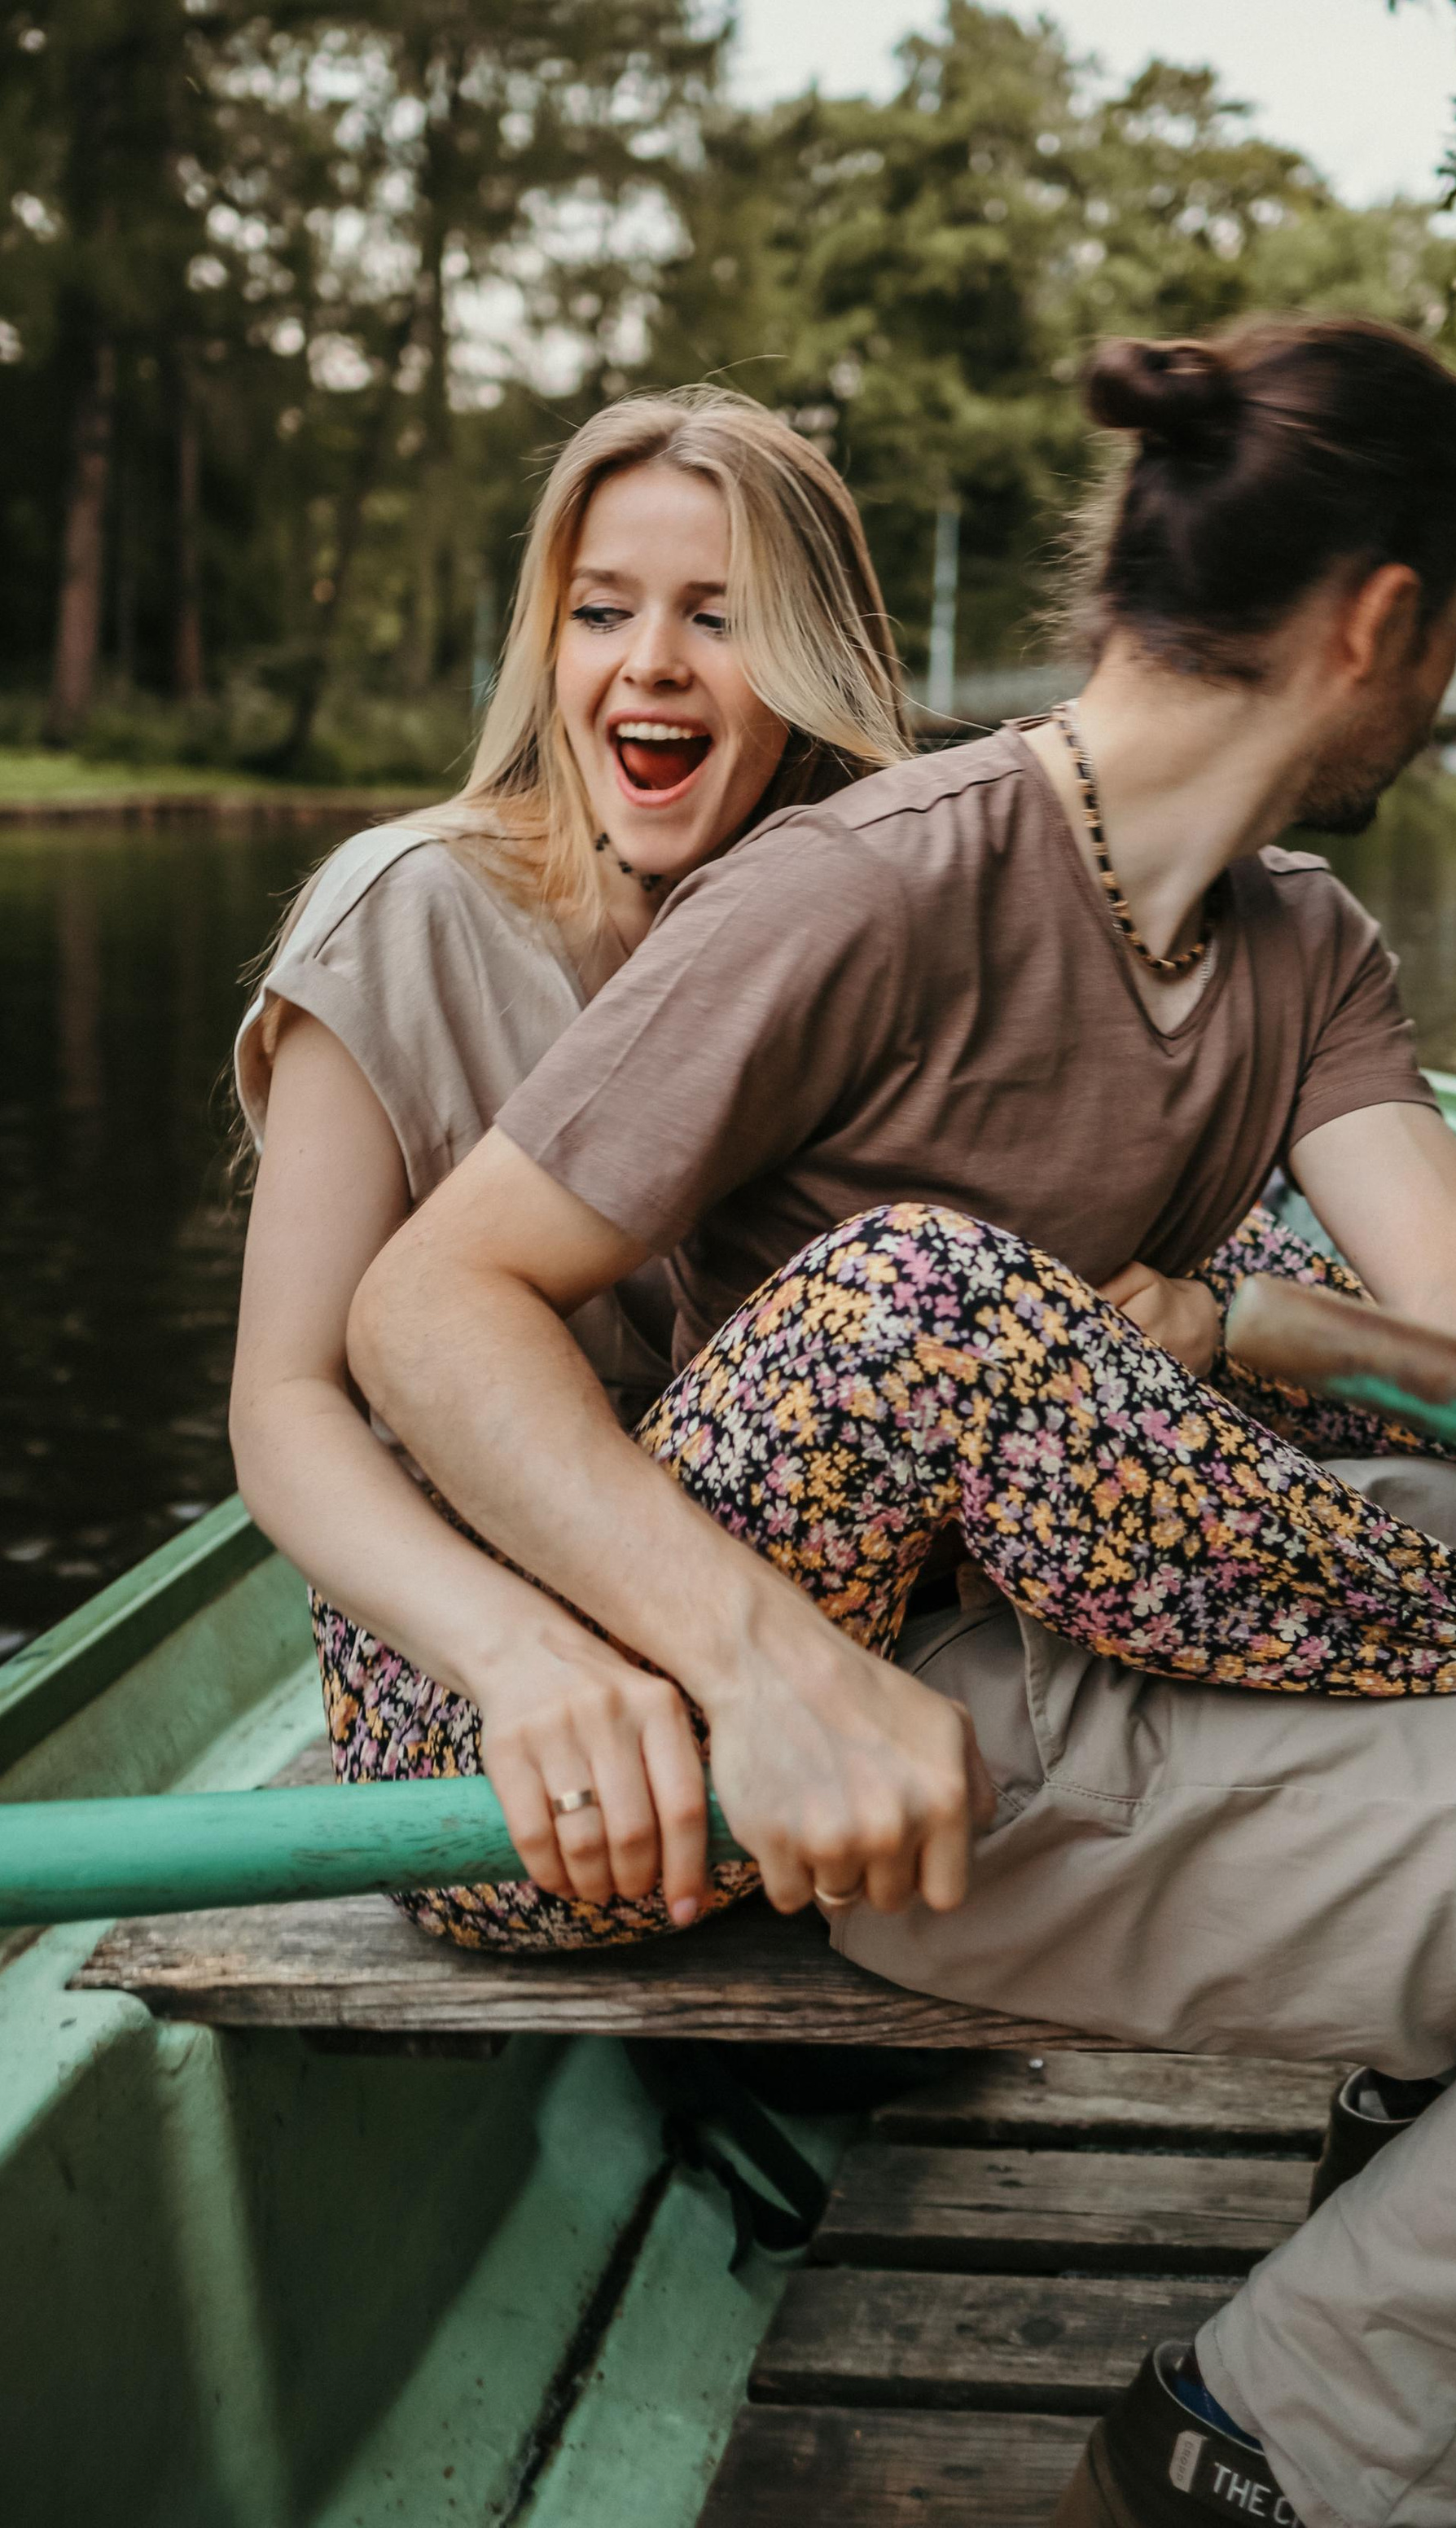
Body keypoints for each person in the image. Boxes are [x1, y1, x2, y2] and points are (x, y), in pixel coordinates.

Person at [347, 316, 1456, 2528]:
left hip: (1082, 1627)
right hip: (837, 1726)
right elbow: (430, 1306)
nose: (1449, 671)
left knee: (1451, 1483)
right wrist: (759, 1667)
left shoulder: (1303, 946)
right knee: (948, 1294)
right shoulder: (866, 884)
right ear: (1390, 624)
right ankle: (1278, 2439)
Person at [228, 384, 912, 1942]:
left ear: (814, 670)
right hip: (497, 1706)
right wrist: (522, 1655)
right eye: (603, 610)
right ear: (551, 641)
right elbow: (284, 1408)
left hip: (777, 1631)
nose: (650, 660)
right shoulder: (407, 907)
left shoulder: (848, 926)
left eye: (721, 619)